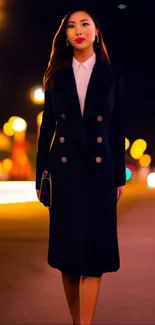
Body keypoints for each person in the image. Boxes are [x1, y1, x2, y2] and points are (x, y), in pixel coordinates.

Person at [35, 8, 126, 325]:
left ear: (96, 32)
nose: (78, 30)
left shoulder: (109, 76)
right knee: (68, 258)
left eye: (84, 24)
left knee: (95, 257)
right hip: (64, 174)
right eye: (71, 26)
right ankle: (78, 322)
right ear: (66, 36)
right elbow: (47, 128)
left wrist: (118, 176)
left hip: (100, 175)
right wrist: (39, 176)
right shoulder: (56, 75)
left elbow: (116, 129)